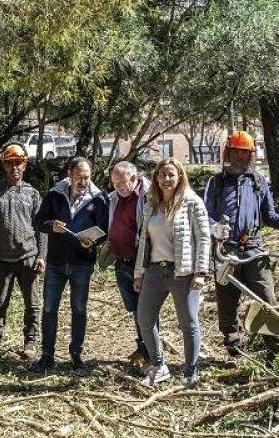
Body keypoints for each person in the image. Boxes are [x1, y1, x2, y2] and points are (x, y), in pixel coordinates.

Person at [202, 131, 279, 358]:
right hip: (225, 251)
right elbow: (205, 215)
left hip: (254, 249)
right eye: (236, 152)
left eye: (245, 153)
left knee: (267, 300)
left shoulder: (259, 182)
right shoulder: (216, 183)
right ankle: (235, 351)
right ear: (227, 153)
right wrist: (214, 227)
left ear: (251, 155)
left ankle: (278, 353)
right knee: (227, 304)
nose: (240, 157)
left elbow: (269, 216)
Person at [133, 158, 210, 387]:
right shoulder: (151, 203)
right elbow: (144, 241)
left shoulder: (192, 202)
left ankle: (190, 371)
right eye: (162, 175)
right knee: (144, 319)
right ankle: (158, 365)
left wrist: (200, 272)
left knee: (188, 323)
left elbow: (204, 238)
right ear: (156, 178)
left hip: (183, 273)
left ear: (180, 177)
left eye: (171, 175)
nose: (166, 179)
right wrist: (139, 272)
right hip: (155, 271)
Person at [32, 156, 108, 372]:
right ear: (69, 174)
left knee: (79, 309)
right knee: (48, 309)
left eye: (87, 177)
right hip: (56, 262)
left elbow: (104, 229)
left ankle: (76, 354)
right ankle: (47, 356)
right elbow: (39, 221)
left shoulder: (99, 199)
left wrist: (93, 241)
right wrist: (51, 226)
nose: (83, 181)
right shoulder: (55, 195)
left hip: (82, 263)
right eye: (79, 177)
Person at [0, 142, 47, 362]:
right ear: (4, 166)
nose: (14, 167)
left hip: (28, 258)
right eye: (10, 163)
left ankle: (31, 344)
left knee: (32, 305)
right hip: (0, 261)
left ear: (25, 165)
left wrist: (42, 256)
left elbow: (41, 228)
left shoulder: (33, 194)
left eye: (18, 163)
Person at [105, 161, 151, 366]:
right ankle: (142, 347)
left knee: (146, 310)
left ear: (134, 178)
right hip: (121, 262)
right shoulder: (113, 198)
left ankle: (152, 355)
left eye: (121, 183)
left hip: (141, 263)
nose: (118, 187)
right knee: (134, 309)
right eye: (114, 183)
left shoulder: (149, 197)